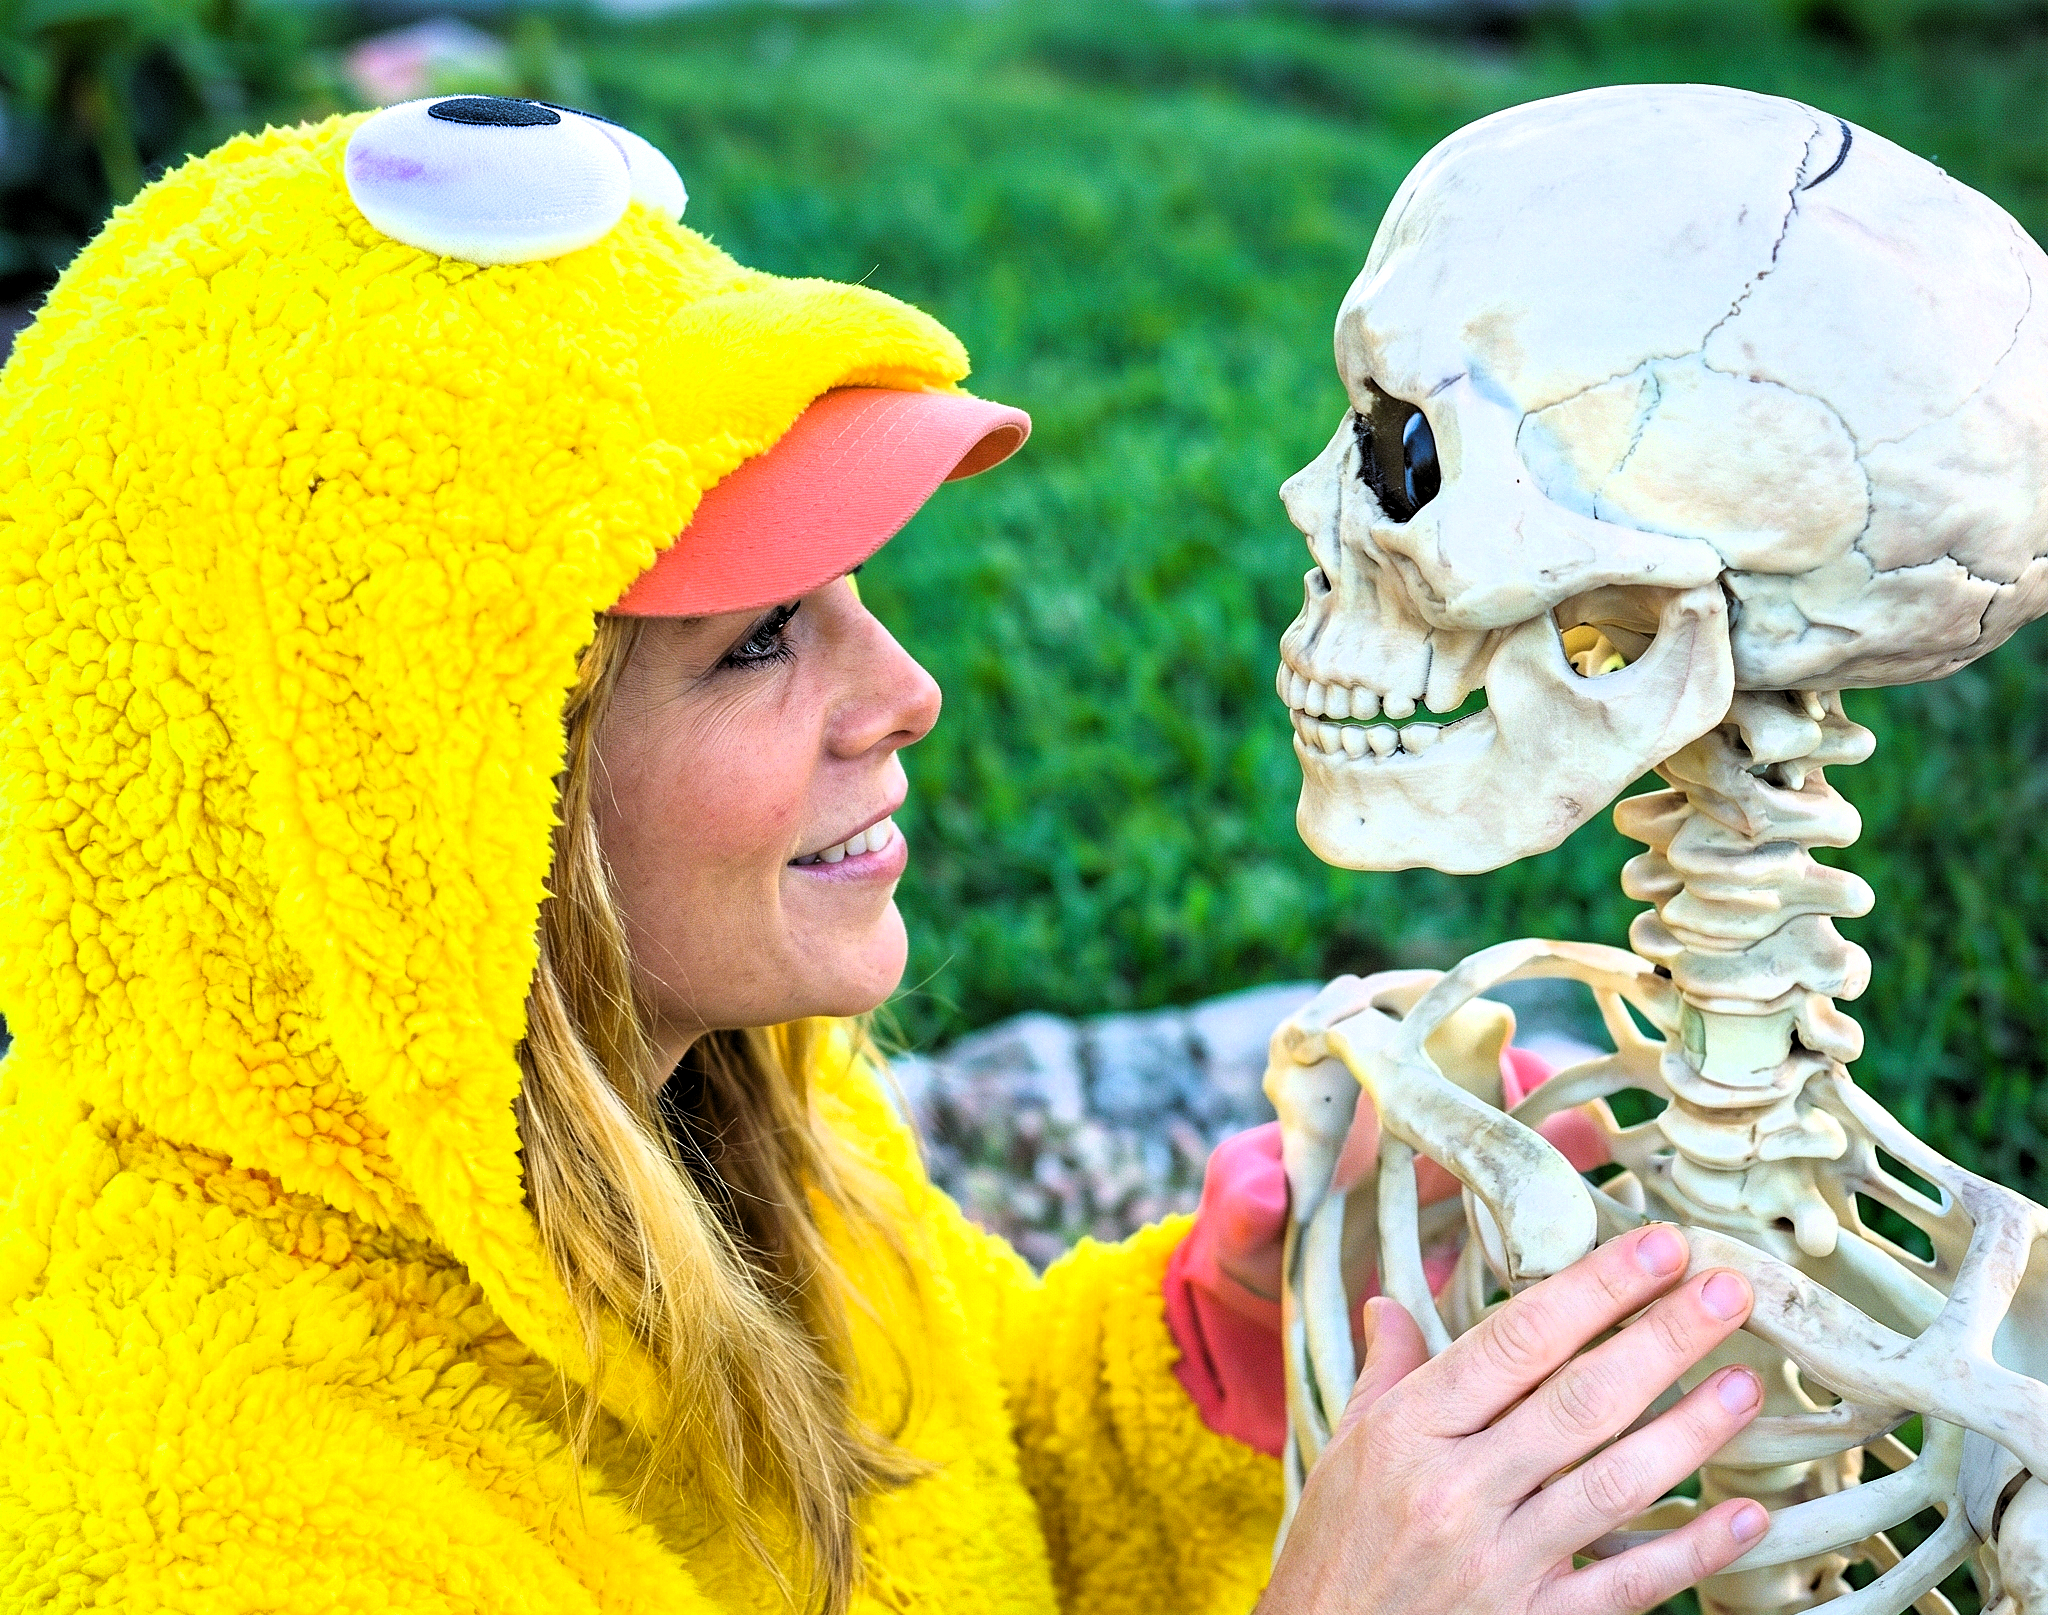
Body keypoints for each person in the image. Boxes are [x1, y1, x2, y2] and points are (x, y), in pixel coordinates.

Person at [0, 103, 1770, 1613]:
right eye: (759, 640)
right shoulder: (230, 1524)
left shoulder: (695, 1078)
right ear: (413, 811)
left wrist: (1201, 1357)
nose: (906, 694)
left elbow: (952, 1496)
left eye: (850, 601)